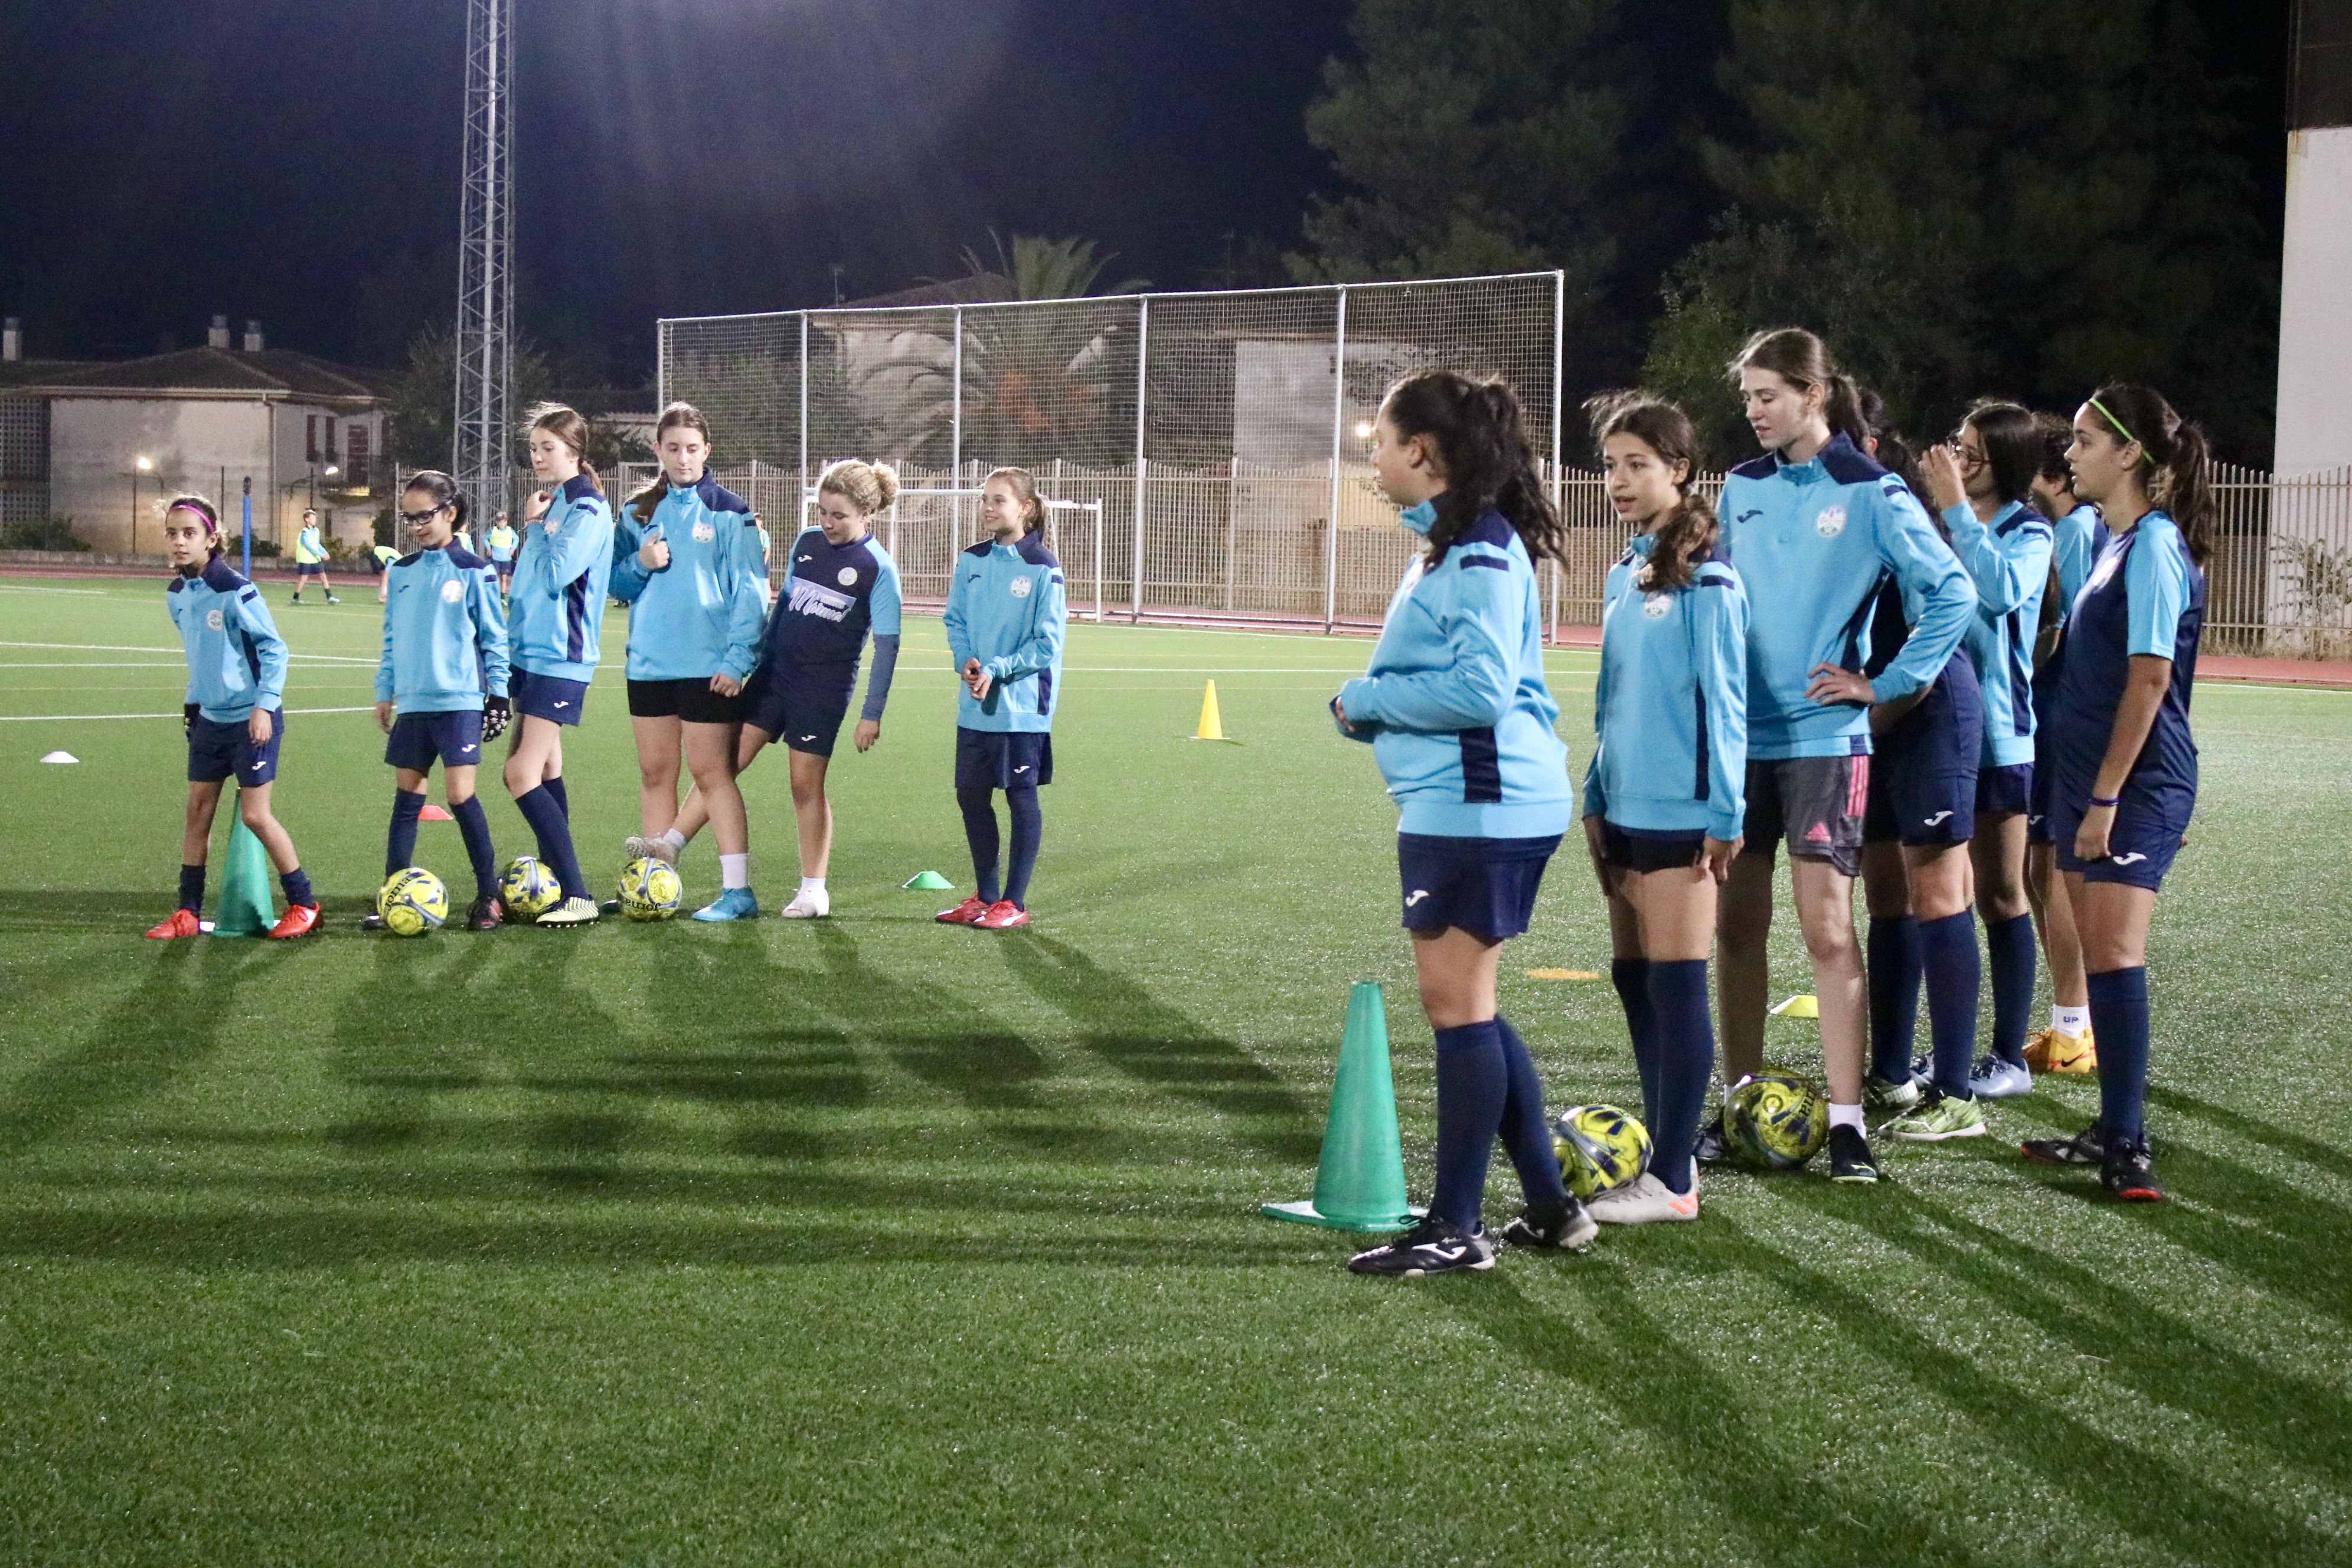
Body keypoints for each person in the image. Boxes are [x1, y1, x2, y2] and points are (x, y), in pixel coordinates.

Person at [1331, 370, 1592, 1277]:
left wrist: (1366, 700)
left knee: (1456, 1008)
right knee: (1471, 1002)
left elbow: (1481, 690)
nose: (1372, 459)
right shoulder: (1453, 544)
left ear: (1423, 452)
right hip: (1468, 801)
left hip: (1479, 802)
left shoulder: (1477, 551)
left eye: (1381, 443)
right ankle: (1553, 1211)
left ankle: (1457, 1226)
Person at [1710, 329, 1975, 1185]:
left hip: (1825, 740)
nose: (1753, 412)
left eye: (1768, 395)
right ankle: (1736, 1098)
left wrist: (1885, 681)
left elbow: (1953, 591)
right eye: (1747, 397)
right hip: (1739, 743)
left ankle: (1850, 1120)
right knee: (1736, 929)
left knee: (1828, 931)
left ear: (1813, 395)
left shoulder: (1871, 490)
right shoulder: (1739, 490)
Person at [2022, 384, 2210, 1202]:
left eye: (2085, 439)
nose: (2070, 453)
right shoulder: (2110, 541)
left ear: (2130, 453)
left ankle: (2127, 1143)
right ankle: (2111, 1122)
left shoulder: (2157, 545)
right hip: (2083, 777)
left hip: (2133, 784)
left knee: (2115, 952)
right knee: (2099, 955)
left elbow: (2150, 677)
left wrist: (2103, 800)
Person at [1580, 396, 1745, 1223]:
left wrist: (1726, 814)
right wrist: (1594, 793)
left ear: (1679, 470)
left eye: (1637, 463)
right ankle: (1663, 1151)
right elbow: (1613, 697)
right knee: (1633, 978)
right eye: (1611, 464)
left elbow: (1727, 702)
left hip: (1687, 814)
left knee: (1679, 987)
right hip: (1624, 807)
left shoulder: (1710, 576)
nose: (1619, 479)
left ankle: (1675, 1179)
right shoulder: (1624, 570)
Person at [667, 458, 903, 919]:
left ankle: (814, 890)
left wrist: (871, 713)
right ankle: (669, 847)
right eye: (824, 512)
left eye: (840, 516)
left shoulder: (878, 569)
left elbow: (888, 649)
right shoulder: (807, 542)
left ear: (867, 514)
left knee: (803, 786)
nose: (828, 523)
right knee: (722, 765)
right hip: (773, 677)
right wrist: (750, 663)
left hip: (822, 691)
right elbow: (781, 612)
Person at [1919, 401, 2053, 1105]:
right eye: (1956, 447)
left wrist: (1956, 517)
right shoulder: (1949, 523)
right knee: (1939, 898)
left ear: (2004, 461)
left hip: (2000, 737)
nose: (1958, 461)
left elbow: (1999, 593)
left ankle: (2009, 1055)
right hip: (1937, 732)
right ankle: (1946, 1049)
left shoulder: (2030, 531)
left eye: (1971, 453)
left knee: (2000, 895)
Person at [608, 404, 768, 922]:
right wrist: (640, 563)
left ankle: (737, 892)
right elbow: (614, 583)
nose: (682, 457)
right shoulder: (635, 512)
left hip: (709, 666)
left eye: (692, 448)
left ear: (707, 452)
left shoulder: (731, 511)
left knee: (711, 775)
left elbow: (751, 593)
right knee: (656, 773)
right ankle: (657, 884)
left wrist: (737, 658)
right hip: (649, 663)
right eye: (672, 448)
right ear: (657, 451)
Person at [146, 495, 322, 940]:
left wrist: (265, 705)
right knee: (197, 813)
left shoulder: (236, 590)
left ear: (212, 538)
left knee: (256, 817)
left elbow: (274, 649)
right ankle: (186, 912)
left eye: (190, 533)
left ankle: (304, 903)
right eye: (173, 533)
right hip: (210, 720)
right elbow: (202, 657)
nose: (180, 542)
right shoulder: (177, 595)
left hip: (250, 720)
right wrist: (193, 704)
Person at [366, 470, 511, 932]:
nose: (416, 526)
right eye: (409, 519)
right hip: (413, 704)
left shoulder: (475, 570)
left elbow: (494, 638)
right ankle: (392, 893)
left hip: (459, 701)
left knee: (460, 795)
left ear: (450, 512)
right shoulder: (402, 572)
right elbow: (390, 639)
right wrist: (385, 690)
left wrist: (499, 697)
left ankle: (489, 895)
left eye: (424, 516)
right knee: (406, 797)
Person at [934, 468, 1065, 932]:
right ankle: (985, 897)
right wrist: (966, 659)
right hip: (975, 704)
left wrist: (998, 670)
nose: (988, 508)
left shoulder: (1043, 568)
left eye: (999, 500)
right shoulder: (970, 561)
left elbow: (1046, 646)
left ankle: (1014, 902)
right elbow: (955, 621)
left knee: (1018, 795)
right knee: (970, 795)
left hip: (1021, 708)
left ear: (1025, 509)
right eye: (985, 499)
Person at [502, 404, 615, 926]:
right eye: (534, 448)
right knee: (546, 769)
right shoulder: (558, 506)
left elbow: (555, 576)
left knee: (518, 772)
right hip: (531, 654)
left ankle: (577, 893)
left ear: (575, 452)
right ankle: (557, 882)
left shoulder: (587, 509)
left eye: (549, 448)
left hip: (560, 657)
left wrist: (535, 526)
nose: (539, 456)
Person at [2022, 415, 2107, 1074]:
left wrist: (2021, 663)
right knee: (2034, 871)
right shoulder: (2067, 529)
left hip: (2057, 714)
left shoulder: (2075, 531)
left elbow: (2064, 628)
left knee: (2050, 870)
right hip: (2047, 711)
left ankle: (2076, 1024)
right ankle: (2066, 1021)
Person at [289, 508, 338, 604]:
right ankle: (295, 598)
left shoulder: (316, 531)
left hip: (315, 559)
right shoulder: (304, 533)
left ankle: (330, 597)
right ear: (307, 520)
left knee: (323, 576)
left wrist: (325, 552)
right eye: (312, 518)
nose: (315, 520)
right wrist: (321, 555)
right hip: (306, 559)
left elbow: (317, 544)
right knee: (303, 579)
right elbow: (309, 546)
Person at [487, 510, 518, 601]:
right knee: (495, 576)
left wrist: (513, 548)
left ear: (506, 522)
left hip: (506, 558)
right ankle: (494, 593)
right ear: (497, 522)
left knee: (504, 578)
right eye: (500, 522)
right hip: (496, 557)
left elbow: (516, 539)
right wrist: (489, 548)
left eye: (503, 522)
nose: (501, 524)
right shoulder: (493, 531)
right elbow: (485, 538)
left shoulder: (510, 531)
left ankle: (502, 596)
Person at [370, 538, 399, 603]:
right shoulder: (394, 562)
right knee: (384, 576)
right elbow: (386, 576)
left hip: (383, 553)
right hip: (377, 553)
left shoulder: (397, 563)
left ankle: (383, 595)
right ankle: (383, 595)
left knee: (385, 576)